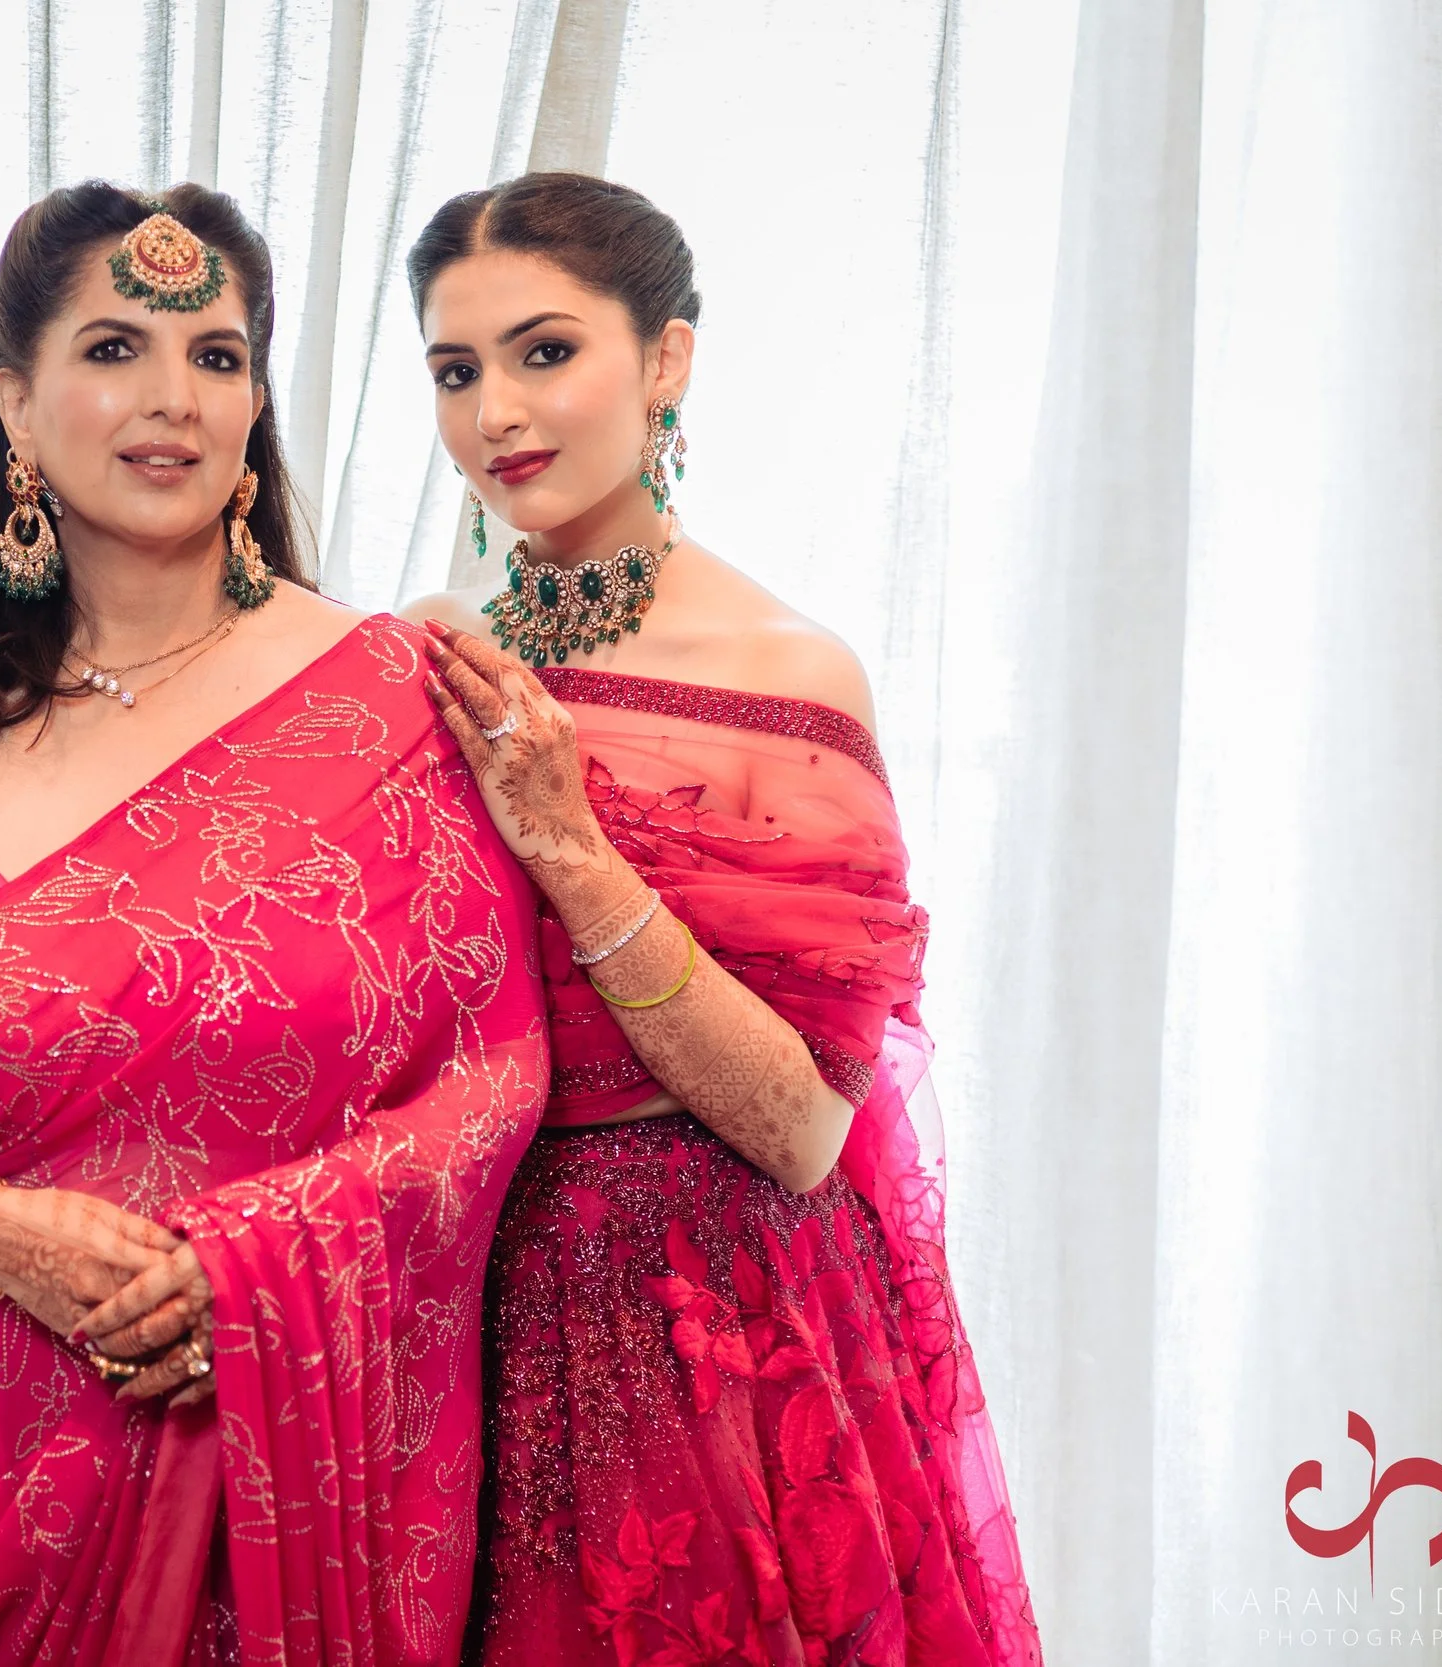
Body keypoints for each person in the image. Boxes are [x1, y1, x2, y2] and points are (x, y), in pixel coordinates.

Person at [0, 180, 549, 1666]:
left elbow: (491, 1076)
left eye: (218, 355)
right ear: (15, 400)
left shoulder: (392, 701)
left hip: (287, 1483)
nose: (175, 397)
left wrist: (248, 1276)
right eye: (115, 347)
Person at [398, 173, 1043, 1667]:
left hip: (709, 1341)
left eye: (545, 351)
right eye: (456, 369)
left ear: (667, 360)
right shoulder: (426, 655)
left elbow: (805, 1125)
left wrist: (569, 844)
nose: (497, 410)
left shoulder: (786, 675)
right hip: (452, 1325)